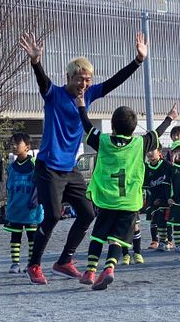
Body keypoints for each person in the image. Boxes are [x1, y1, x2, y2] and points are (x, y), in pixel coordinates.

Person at [19, 31, 148, 285]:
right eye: (80, 79)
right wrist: (36, 62)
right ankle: (33, 265)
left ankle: (64, 261)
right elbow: (42, 80)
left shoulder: (88, 95)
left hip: (70, 168)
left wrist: (138, 60)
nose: (84, 85)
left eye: (88, 80)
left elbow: (113, 82)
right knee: (53, 216)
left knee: (89, 213)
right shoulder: (54, 94)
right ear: (69, 77)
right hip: (48, 168)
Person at [77, 96, 176, 290]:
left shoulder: (103, 140)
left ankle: (90, 271)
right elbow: (157, 133)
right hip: (129, 201)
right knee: (117, 238)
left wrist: (81, 106)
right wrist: (170, 118)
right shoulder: (140, 143)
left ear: (112, 126)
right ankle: (109, 268)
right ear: (133, 128)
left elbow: (87, 126)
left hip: (107, 199)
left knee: (98, 236)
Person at [4, 133, 44, 274]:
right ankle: (15, 263)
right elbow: (9, 187)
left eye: (17, 144)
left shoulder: (35, 164)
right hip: (15, 208)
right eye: (12, 144)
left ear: (27, 147)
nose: (14, 146)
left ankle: (30, 263)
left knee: (32, 238)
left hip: (32, 209)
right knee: (15, 238)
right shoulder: (11, 167)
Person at [142, 148, 173, 251]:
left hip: (165, 197)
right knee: (154, 218)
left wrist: (166, 197)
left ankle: (168, 240)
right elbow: (146, 187)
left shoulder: (167, 165)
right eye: (148, 151)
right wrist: (153, 199)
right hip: (153, 199)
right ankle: (155, 240)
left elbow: (170, 183)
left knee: (164, 219)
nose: (150, 153)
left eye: (152, 150)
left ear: (159, 152)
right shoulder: (146, 168)